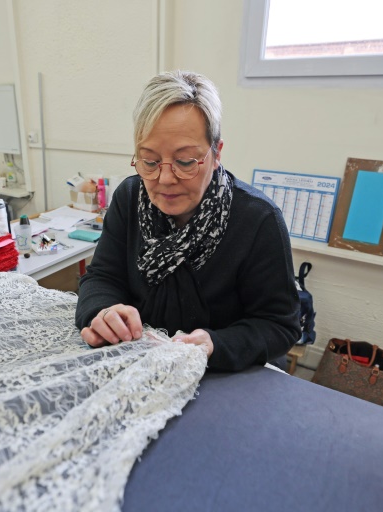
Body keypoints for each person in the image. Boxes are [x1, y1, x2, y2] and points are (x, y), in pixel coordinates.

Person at [75, 70, 301, 371]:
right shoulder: (129, 197)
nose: (165, 179)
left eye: (185, 162)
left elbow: (279, 326)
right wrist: (103, 311)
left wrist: (215, 344)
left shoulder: (259, 220)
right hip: (143, 364)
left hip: (225, 375)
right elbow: (102, 277)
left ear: (216, 153)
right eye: (150, 161)